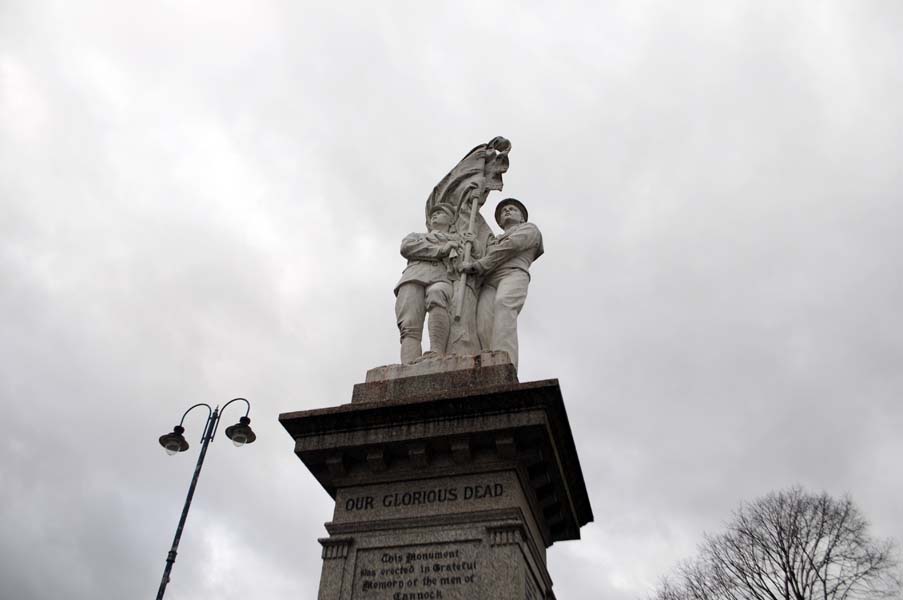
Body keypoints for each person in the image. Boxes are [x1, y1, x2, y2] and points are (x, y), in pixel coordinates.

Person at [462, 198, 543, 369]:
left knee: (504, 306)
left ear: (522, 218)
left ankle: (505, 362)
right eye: (503, 211)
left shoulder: (529, 229)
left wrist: (480, 264)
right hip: (490, 280)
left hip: (513, 273)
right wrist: (474, 244)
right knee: (483, 321)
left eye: (512, 209)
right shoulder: (493, 240)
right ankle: (485, 361)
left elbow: (510, 247)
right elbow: (483, 253)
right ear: (499, 222)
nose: (507, 211)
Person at [394, 204, 461, 363]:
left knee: (437, 295)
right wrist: (440, 251)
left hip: (442, 277)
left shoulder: (459, 239)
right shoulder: (416, 236)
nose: (435, 216)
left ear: (451, 220)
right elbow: (407, 248)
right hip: (413, 277)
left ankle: (437, 352)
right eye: (433, 214)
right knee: (409, 325)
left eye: (440, 213)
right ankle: (408, 365)